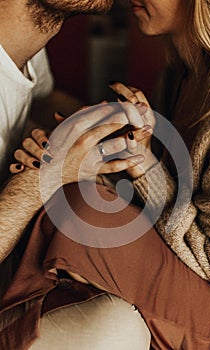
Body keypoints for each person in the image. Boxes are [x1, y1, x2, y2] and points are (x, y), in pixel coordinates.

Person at [1, 0, 210, 349]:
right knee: (78, 199)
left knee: (83, 208)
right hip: (188, 282)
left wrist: (138, 168)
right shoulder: (178, 78)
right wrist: (107, 160)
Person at [0, 0, 151, 349]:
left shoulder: (27, 45)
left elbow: (39, 99)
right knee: (116, 331)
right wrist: (46, 175)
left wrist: (112, 129)